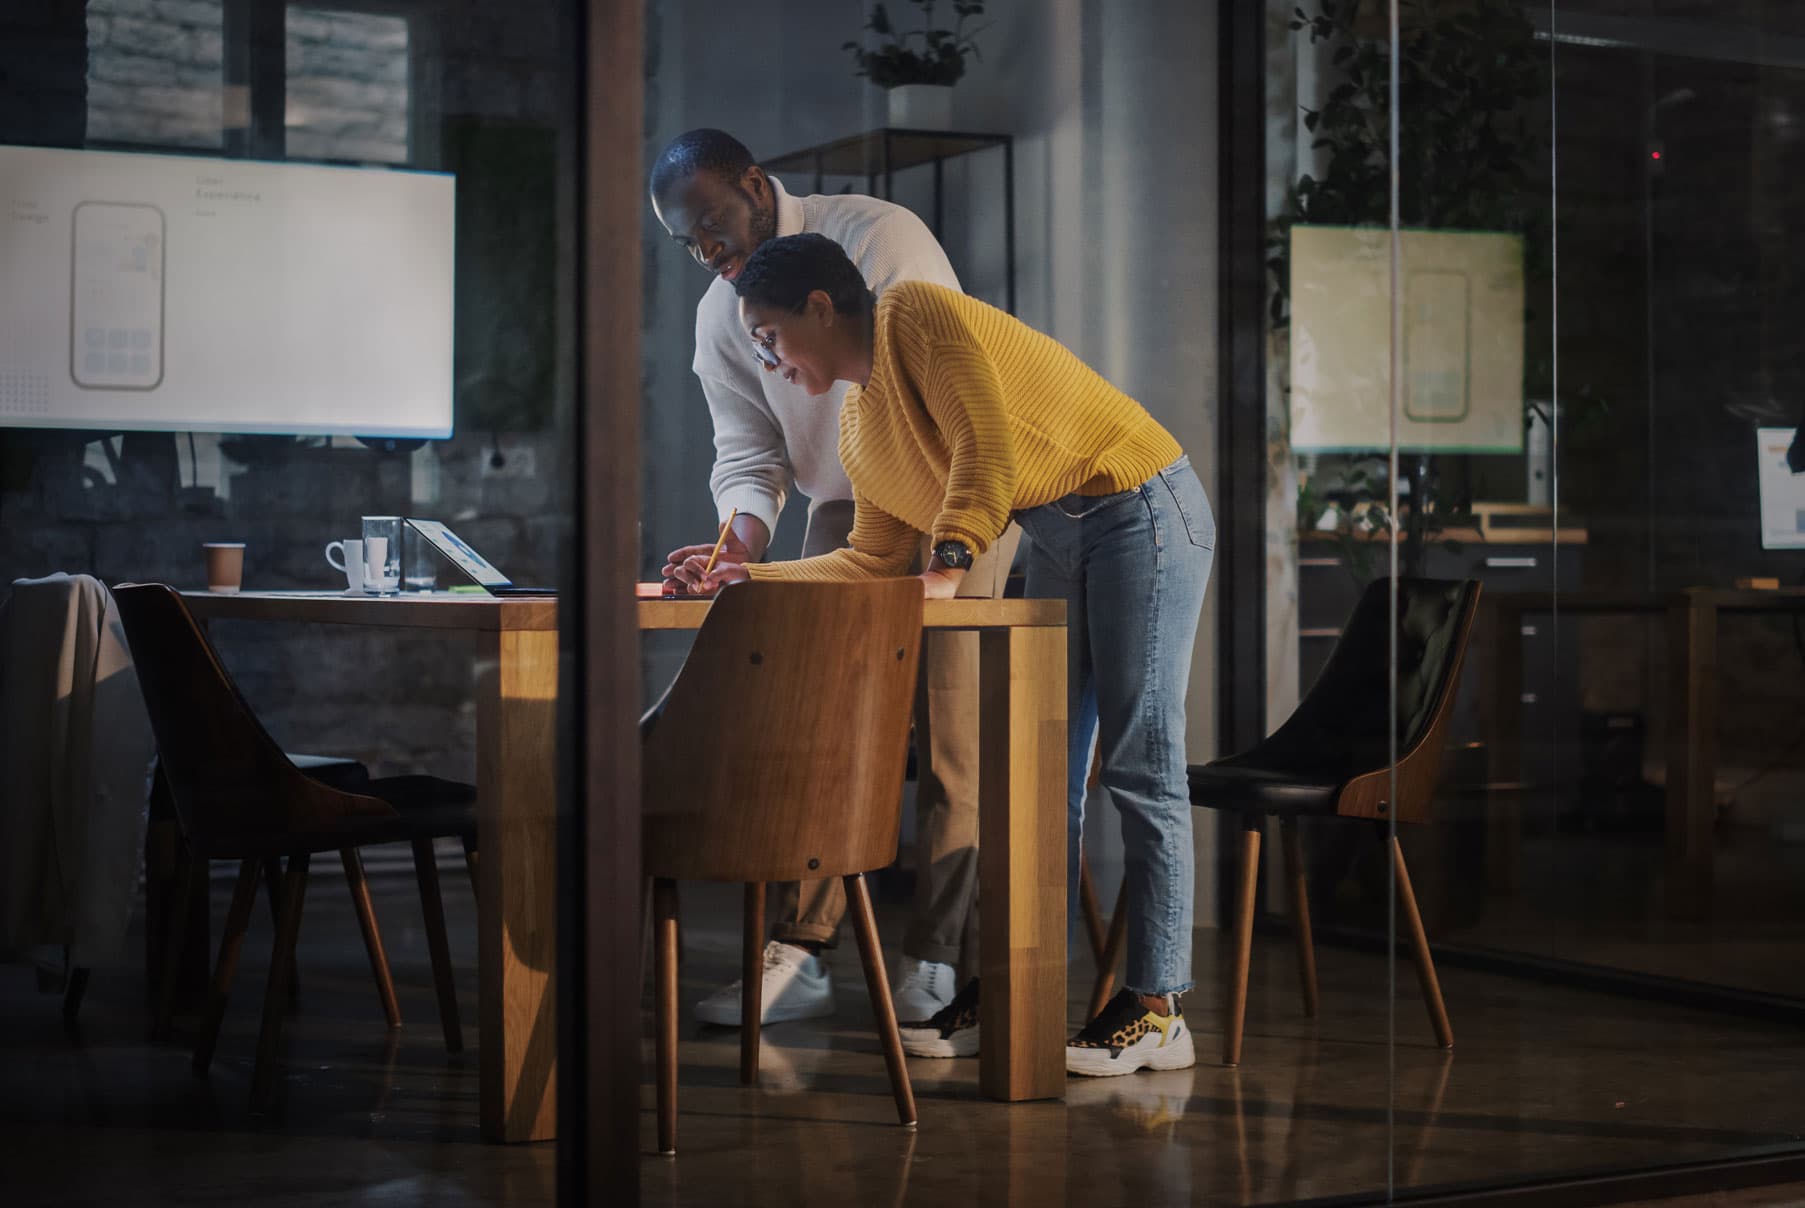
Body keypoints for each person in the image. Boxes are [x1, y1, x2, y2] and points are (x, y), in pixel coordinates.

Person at [673, 233, 1214, 1077]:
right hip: (1057, 530)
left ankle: (1156, 1009)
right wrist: (746, 577)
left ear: (822, 308)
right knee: (1040, 778)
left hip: (1138, 506)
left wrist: (950, 562)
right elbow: (869, 557)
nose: (766, 362)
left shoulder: (914, 316)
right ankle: (1014, 989)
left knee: (1141, 765)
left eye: (769, 337)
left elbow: (984, 449)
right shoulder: (858, 423)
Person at [649, 129, 1021, 1027]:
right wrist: (738, 544)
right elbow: (748, 450)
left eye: (711, 224)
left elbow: (946, 388)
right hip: (843, 515)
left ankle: (935, 959)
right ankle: (802, 951)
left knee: (952, 747)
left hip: (947, 505)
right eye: (684, 242)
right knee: (815, 731)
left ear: (754, 182)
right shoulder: (719, 313)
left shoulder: (880, 237)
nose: (706, 252)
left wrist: (946, 557)